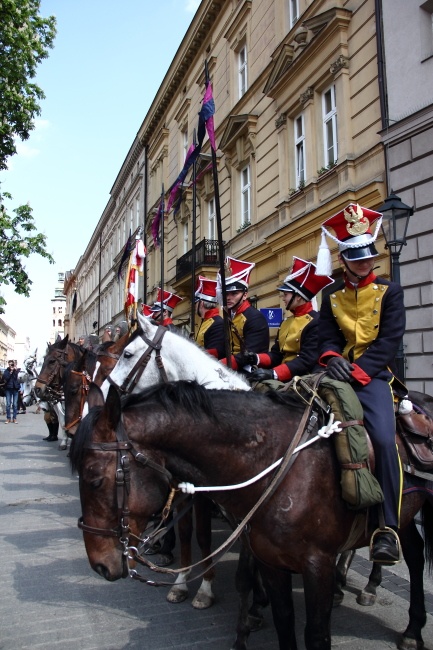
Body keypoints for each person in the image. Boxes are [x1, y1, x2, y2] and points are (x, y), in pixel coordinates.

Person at [316, 202, 405, 564]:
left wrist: (357, 370)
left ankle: (387, 527)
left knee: (383, 440)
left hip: (372, 378)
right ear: (344, 259)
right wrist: (333, 358)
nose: (364, 262)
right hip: (336, 375)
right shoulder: (331, 295)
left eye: (368, 255)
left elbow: (389, 341)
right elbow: (326, 335)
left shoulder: (389, 291)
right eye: (356, 257)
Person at [239, 258, 333, 383]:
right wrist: (255, 358)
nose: (283, 298)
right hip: (282, 377)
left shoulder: (316, 322)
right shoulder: (285, 323)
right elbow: (277, 355)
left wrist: (273, 373)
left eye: (286, 295)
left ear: (298, 296)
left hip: (304, 379)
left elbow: (306, 360)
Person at [218, 256, 269, 370]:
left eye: (234, 293)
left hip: (250, 369)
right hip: (231, 368)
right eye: (226, 294)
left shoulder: (255, 318)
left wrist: (220, 365)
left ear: (245, 295)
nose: (229, 298)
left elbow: (248, 355)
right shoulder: (230, 317)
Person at [194, 275, 225, 359]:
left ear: (202, 303)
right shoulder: (205, 321)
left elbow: (216, 352)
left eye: (196, 303)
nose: (195, 306)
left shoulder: (218, 323)